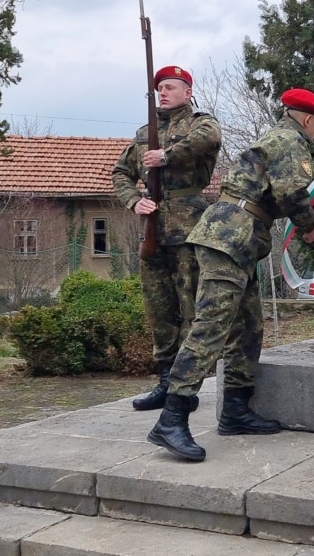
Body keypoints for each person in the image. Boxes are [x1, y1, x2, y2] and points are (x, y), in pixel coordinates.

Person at [146, 88, 314, 462]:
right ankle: (172, 417)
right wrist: (309, 229)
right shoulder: (289, 139)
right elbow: (293, 194)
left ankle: (235, 410)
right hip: (230, 236)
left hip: (240, 236)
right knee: (211, 326)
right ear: (308, 119)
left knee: (247, 327)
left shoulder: (276, 137)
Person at [112, 65, 221, 413]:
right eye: (160, 88)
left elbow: (211, 139)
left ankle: (185, 387)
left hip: (188, 227)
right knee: (159, 308)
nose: (164, 92)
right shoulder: (145, 133)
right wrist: (134, 201)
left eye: (171, 87)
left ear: (188, 92)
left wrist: (167, 155)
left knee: (191, 306)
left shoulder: (200, 123)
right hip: (153, 230)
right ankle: (164, 381)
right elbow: (120, 173)